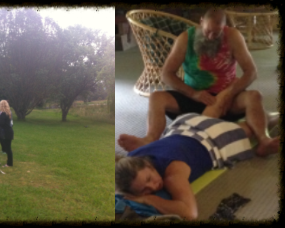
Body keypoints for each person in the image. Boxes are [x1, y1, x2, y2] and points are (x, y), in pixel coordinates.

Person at [117, 8, 279, 157]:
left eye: (216, 33)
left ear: (224, 28)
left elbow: (251, 72)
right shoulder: (185, 39)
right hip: (193, 97)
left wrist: (228, 93)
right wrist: (193, 94)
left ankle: (264, 141)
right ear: (201, 22)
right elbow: (167, 74)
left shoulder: (233, 36)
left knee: (255, 96)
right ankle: (150, 139)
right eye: (208, 31)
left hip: (226, 99)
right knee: (156, 97)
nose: (210, 36)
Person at [115, 103, 280, 220]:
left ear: (148, 165)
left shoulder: (173, 174)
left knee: (253, 126)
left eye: (149, 179)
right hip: (184, 126)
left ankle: (275, 117)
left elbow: (190, 213)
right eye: (145, 190)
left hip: (211, 137)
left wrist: (149, 199)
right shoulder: (132, 159)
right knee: (218, 114)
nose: (153, 186)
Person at [0, 100, 14, 167]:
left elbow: (2, 124)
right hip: (9, 131)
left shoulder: (3, 114)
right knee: (8, 148)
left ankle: (9, 163)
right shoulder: (9, 112)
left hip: (6, 133)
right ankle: (9, 163)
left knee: (8, 149)